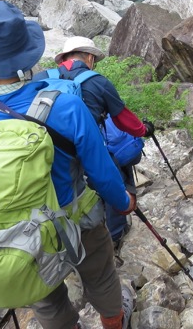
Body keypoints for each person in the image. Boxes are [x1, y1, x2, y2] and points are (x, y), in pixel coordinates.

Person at [0, 1, 136, 329]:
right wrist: (124, 202)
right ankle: (115, 322)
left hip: (19, 236)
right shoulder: (66, 107)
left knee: (45, 297)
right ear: (28, 56)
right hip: (79, 221)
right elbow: (102, 173)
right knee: (101, 277)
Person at [34, 36, 155, 247]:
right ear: (89, 57)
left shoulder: (41, 77)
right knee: (114, 177)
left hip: (43, 150)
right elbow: (124, 120)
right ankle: (116, 232)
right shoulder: (98, 81)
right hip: (84, 150)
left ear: (63, 58)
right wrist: (144, 130)